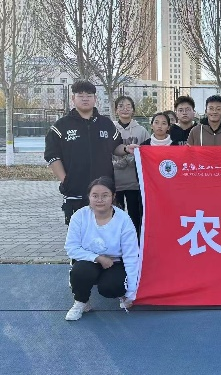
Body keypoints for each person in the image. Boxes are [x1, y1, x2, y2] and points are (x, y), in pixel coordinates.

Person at [44, 80, 137, 225]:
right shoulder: (60, 127)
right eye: (80, 95)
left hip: (104, 191)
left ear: (95, 98)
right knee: (79, 233)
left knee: (106, 231)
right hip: (75, 192)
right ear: (73, 98)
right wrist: (65, 180)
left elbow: (115, 147)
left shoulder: (106, 124)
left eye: (89, 95)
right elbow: (52, 156)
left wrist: (126, 149)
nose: (85, 99)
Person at [64, 177, 139, 321]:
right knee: (80, 272)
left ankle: (120, 292)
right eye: (95, 196)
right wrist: (98, 258)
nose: (100, 200)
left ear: (113, 196)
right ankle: (81, 302)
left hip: (114, 262)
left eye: (105, 195)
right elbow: (71, 248)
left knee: (111, 287)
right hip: (88, 260)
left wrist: (131, 291)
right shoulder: (79, 216)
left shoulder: (124, 220)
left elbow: (131, 255)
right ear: (89, 197)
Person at [112, 96, 150, 236]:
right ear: (116, 110)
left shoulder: (141, 130)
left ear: (133, 110)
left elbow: (148, 152)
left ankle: (137, 242)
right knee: (116, 215)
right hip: (115, 180)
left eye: (128, 106)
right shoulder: (110, 129)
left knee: (135, 215)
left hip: (134, 181)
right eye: (121, 106)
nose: (125, 109)